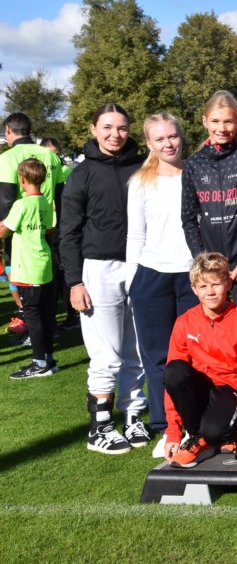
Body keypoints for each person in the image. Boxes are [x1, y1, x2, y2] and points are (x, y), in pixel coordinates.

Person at [60, 103, 147, 454]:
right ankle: (100, 427)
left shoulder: (143, 167)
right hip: (98, 269)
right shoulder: (81, 174)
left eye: (122, 128)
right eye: (108, 127)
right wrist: (74, 282)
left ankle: (134, 415)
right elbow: (68, 233)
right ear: (93, 129)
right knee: (106, 354)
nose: (115, 134)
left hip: (140, 266)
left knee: (137, 349)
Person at [126, 113, 198, 458]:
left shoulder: (195, 174)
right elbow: (135, 235)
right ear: (149, 143)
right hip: (151, 277)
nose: (168, 144)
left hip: (191, 277)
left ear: (181, 136)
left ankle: (195, 424)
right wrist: (132, 282)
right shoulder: (140, 182)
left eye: (173, 136)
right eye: (160, 139)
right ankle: (166, 427)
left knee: (192, 357)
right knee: (157, 358)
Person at [163, 253, 237, 468]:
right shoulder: (184, 322)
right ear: (194, 289)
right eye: (203, 286)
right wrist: (172, 432)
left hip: (231, 390)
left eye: (215, 284)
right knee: (174, 371)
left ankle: (215, 436)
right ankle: (197, 439)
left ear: (228, 284)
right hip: (202, 390)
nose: (210, 292)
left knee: (215, 431)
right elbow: (173, 382)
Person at [181, 90, 237, 322]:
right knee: (213, 330)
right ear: (205, 121)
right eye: (215, 121)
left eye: (228, 121)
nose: (221, 128)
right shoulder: (193, 165)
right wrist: (202, 260)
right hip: (210, 267)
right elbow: (189, 219)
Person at [0, 113, 66, 337]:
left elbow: (6, 200)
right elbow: (61, 196)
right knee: (47, 279)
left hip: (20, 232)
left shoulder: (7, 158)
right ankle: (49, 328)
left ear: (8, 131)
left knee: (24, 285)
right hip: (48, 228)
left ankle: (32, 332)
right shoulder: (51, 156)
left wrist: (4, 232)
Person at [3, 158, 58, 378]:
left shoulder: (21, 204)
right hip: (44, 264)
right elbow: (48, 229)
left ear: (21, 178)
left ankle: (39, 363)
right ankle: (48, 360)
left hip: (28, 267)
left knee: (33, 316)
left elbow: (4, 230)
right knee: (44, 314)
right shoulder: (45, 202)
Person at [40, 137, 74, 328]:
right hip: (47, 227)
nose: (54, 158)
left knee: (61, 273)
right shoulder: (39, 172)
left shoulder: (65, 171)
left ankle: (69, 315)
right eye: (51, 153)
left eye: (56, 153)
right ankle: (53, 318)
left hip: (58, 228)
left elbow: (66, 200)